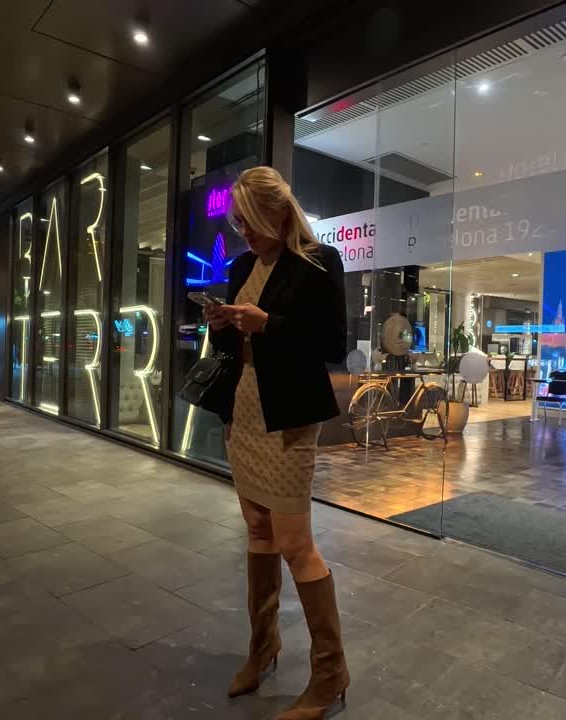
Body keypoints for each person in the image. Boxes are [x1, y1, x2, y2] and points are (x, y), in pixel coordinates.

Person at [205, 166, 349, 719]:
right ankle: (263, 647)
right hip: (242, 410)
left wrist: (268, 324)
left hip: (288, 418)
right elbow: (234, 345)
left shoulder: (319, 260)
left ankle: (331, 672)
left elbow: (332, 344)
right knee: (258, 529)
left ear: (280, 213)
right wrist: (221, 324)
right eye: (237, 223)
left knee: (295, 544)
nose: (244, 233)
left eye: (250, 221)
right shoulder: (242, 266)